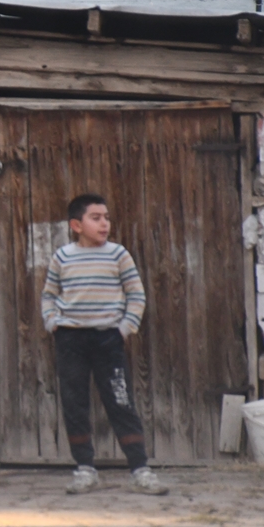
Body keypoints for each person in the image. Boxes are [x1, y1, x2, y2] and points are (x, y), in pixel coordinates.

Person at [41, 193, 168, 496]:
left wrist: (124, 329)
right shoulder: (63, 257)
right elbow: (49, 295)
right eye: (95, 218)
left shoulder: (118, 254)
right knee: (74, 403)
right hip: (70, 339)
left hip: (108, 340)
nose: (104, 223)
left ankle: (140, 470)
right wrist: (52, 322)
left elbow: (136, 294)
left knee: (120, 401)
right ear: (76, 225)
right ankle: (85, 470)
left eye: (107, 217)